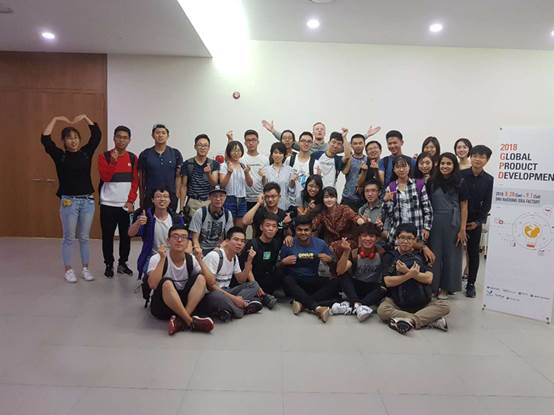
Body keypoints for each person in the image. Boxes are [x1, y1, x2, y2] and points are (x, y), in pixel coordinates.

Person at [41, 114, 101, 283]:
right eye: (69, 138)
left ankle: (85, 268)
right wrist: (55, 119)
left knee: (84, 237)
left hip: (88, 201)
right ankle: (68, 269)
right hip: (69, 202)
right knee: (69, 237)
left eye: (76, 137)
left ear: (79, 140)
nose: (73, 141)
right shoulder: (60, 156)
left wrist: (85, 118)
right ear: (64, 141)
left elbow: (96, 135)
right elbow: (45, 139)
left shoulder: (86, 153)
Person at [377, 223, 450, 335]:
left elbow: (429, 278)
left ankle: (409, 321)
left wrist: (407, 271)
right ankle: (429, 320)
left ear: (415, 240)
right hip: (397, 302)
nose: (405, 241)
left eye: (409, 238)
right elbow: (388, 282)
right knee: (382, 310)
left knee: (444, 307)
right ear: (397, 238)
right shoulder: (389, 256)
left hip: (421, 301)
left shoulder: (421, 255)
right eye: (402, 237)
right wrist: (409, 275)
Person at [146, 224, 215, 335]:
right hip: (163, 307)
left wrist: (200, 260)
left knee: (201, 278)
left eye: (183, 237)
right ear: (168, 240)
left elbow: (211, 282)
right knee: (167, 283)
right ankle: (190, 321)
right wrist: (162, 259)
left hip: (184, 304)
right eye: (175, 236)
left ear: (188, 242)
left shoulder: (191, 259)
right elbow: (153, 285)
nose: (179, 240)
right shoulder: (157, 258)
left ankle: (180, 320)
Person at [279, 215, 339, 322]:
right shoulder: (288, 243)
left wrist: (330, 260)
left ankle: (302, 303)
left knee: (336, 282)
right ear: (295, 230)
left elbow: (334, 264)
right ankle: (317, 308)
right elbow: (277, 267)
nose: (303, 233)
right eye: (299, 230)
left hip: (312, 280)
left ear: (311, 230)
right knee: (286, 279)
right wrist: (283, 262)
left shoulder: (320, 243)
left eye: (306, 230)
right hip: (294, 283)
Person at [98, 125, 139, 278]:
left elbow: (135, 182)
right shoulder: (104, 156)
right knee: (108, 236)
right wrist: (113, 162)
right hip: (107, 205)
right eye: (119, 137)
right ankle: (109, 264)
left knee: (126, 236)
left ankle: (123, 263)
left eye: (125, 138)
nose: (122, 140)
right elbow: (105, 177)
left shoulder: (133, 158)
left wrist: (131, 201)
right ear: (114, 138)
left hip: (125, 205)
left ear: (129, 140)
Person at [429, 153, 468, 299]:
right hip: (434, 222)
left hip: (453, 223)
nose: (445, 166)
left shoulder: (460, 182)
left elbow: (464, 206)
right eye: (442, 163)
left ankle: (446, 287)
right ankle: (433, 286)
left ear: (454, 166)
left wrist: (462, 229)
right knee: (434, 254)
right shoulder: (431, 182)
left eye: (449, 163)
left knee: (451, 256)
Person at [203, 227, 264, 319]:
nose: (239, 243)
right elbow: (211, 286)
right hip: (212, 294)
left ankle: (228, 310)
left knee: (254, 284)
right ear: (227, 241)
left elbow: (241, 280)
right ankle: (242, 309)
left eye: (242, 241)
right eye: (236, 239)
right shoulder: (215, 256)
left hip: (227, 291)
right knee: (218, 296)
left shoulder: (235, 258)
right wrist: (234, 298)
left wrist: (249, 261)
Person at [129, 188, 184, 281]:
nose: (162, 199)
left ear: (170, 200)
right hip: (152, 256)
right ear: (152, 200)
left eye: (165, 197)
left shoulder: (176, 218)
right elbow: (130, 233)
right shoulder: (147, 217)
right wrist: (138, 222)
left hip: (173, 255)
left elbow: (186, 239)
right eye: (158, 196)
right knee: (156, 278)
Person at [334, 224, 387, 321]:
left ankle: (353, 305)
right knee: (343, 276)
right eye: (364, 236)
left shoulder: (382, 253)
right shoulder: (354, 253)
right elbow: (339, 271)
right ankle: (358, 305)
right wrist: (346, 251)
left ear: (377, 239)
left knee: (383, 288)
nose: (368, 239)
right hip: (356, 287)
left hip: (372, 287)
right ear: (359, 238)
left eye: (371, 236)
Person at [460, 145, 493, 298]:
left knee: (473, 253)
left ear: (487, 160)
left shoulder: (489, 180)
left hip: (474, 222)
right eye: (475, 156)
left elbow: (487, 204)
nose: (477, 159)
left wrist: (479, 222)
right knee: (453, 252)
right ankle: (450, 282)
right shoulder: (460, 175)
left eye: (482, 156)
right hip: (457, 220)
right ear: (470, 157)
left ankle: (471, 284)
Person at [382, 156, 433, 245]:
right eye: (398, 167)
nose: (401, 170)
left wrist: (426, 228)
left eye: (404, 166)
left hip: (417, 230)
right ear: (394, 170)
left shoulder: (419, 184)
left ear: (409, 167)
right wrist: (386, 201)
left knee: (417, 253)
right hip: (398, 233)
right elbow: (389, 214)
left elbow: (427, 208)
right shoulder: (391, 187)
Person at [238, 213, 283, 308]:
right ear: (261, 227)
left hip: (266, 277)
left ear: (277, 229)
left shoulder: (276, 243)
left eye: (274, 226)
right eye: (267, 225)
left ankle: (261, 296)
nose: (271, 229)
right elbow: (247, 268)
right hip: (252, 279)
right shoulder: (252, 244)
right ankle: (259, 297)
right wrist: (256, 286)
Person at [138, 124, 182, 211]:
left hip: (169, 198)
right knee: (150, 219)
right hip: (150, 198)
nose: (160, 135)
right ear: (152, 135)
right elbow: (141, 178)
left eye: (163, 133)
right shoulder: (145, 154)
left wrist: (176, 195)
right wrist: (141, 197)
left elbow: (178, 176)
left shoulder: (175, 153)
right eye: (157, 133)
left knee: (169, 219)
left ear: (168, 136)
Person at [313, 187, 366, 256]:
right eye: (326, 197)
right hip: (329, 243)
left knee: (333, 249)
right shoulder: (322, 212)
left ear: (336, 198)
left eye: (332, 197)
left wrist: (362, 221)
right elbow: (313, 225)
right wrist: (311, 211)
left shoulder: (344, 209)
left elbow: (355, 217)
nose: (329, 200)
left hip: (347, 241)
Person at [179, 134, 219, 219]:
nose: (202, 148)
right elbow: (183, 186)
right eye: (200, 145)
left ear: (209, 148)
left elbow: (214, 183)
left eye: (205, 145)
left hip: (209, 202)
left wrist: (208, 174)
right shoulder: (188, 164)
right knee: (192, 226)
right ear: (195, 147)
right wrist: (181, 208)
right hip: (192, 202)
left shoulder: (214, 164)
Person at [189, 185, 233, 256]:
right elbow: (195, 238)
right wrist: (198, 250)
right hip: (202, 248)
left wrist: (219, 248)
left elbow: (228, 238)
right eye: (215, 196)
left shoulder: (228, 214)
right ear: (209, 197)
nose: (218, 199)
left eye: (221, 196)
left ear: (225, 197)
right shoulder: (200, 213)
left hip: (219, 248)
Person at [219, 140, 253, 227]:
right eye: (233, 151)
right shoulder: (224, 166)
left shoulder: (243, 166)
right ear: (229, 152)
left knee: (239, 228)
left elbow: (250, 184)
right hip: (229, 199)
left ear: (241, 152)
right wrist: (229, 172)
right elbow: (222, 185)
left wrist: (246, 173)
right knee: (228, 227)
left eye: (238, 150)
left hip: (242, 200)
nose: (236, 153)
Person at [260, 142, 296, 210]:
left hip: (284, 206)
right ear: (272, 154)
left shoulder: (290, 170)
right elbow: (264, 188)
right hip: (269, 205)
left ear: (284, 155)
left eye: (280, 153)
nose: (278, 155)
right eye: (275, 152)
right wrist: (263, 177)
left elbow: (291, 190)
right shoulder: (265, 170)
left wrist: (292, 181)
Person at [238, 129, 268, 213]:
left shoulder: (265, 159)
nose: (251, 143)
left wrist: (264, 177)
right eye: (248, 140)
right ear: (245, 143)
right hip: (244, 199)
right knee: (244, 221)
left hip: (260, 198)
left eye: (253, 140)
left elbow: (266, 182)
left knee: (259, 221)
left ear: (258, 142)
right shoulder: (241, 159)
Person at [263, 120, 328, 153]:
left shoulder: (329, 147)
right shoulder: (305, 145)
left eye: (322, 129)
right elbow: (288, 140)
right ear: (313, 133)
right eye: (317, 129)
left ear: (325, 133)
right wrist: (273, 130)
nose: (319, 131)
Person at [341, 134, 367, 211]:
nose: (358, 146)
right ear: (351, 145)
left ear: (364, 144)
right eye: (355, 143)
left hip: (363, 198)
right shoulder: (347, 158)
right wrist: (350, 157)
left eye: (360, 143)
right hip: (347, 197)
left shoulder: (368, 160)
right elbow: (345, 172)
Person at [287, 131, 313, 207]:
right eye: (303, 141)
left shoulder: (315, 163)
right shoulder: (289, 160)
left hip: (307, 204)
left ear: (312, 144)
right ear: (298, 143)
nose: (306, 144)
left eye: (309, 141)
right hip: (290, 203)